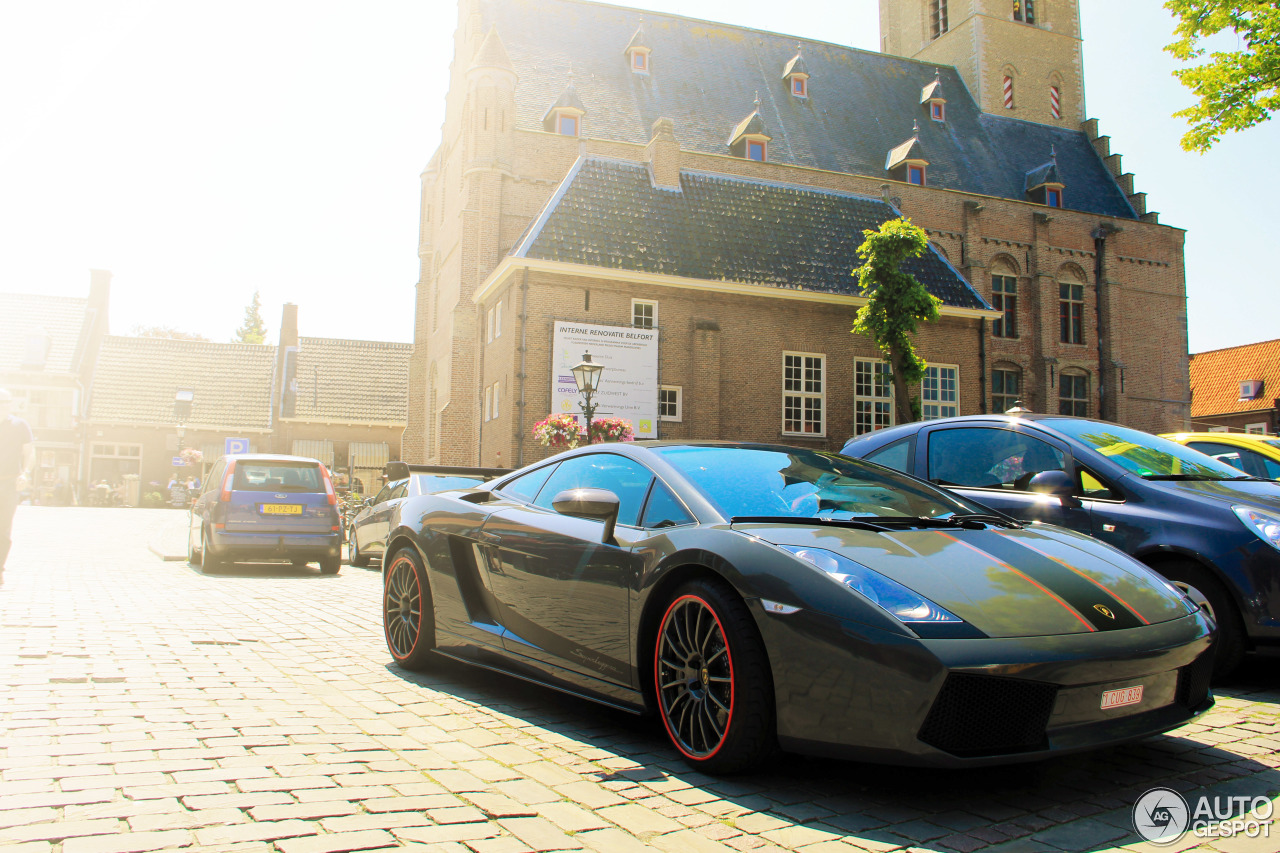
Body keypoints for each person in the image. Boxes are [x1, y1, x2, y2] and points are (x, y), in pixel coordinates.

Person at [0, 388, 35, 571]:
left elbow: (29, 452)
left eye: (5, 402)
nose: (2, 405)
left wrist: (25, 473)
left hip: (9, 483)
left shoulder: (20, 425)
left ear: (10, 404)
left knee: (4, 527)